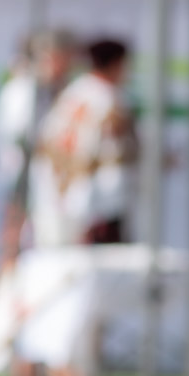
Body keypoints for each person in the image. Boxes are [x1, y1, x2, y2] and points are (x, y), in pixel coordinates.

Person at [41, 37, 136, 245]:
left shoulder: (73, 91)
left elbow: (46, 142)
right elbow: (119, 150)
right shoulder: (112, 98)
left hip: (63, 190)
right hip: (99, 199)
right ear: (115, 64)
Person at [0, 29, 73, 254]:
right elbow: (18, 134)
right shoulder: (23, 89)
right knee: (17, 228)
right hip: (23, 172)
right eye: (58, 58)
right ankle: (11, 264)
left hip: (46, 180)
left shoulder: (57, 90)